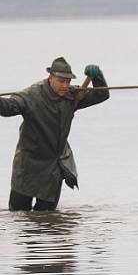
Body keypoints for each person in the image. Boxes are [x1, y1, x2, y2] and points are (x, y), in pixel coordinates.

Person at [0, 57, 109, 211]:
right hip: (28, 164)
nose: (65, 86)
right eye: (61, 81)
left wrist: (98, 77)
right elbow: (8, 107)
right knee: (18, 214)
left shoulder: (73, 96)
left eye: (68, 81)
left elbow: (101, 95)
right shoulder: (31, 95)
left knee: (48, 217)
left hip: (54, 166)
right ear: (50, 77)